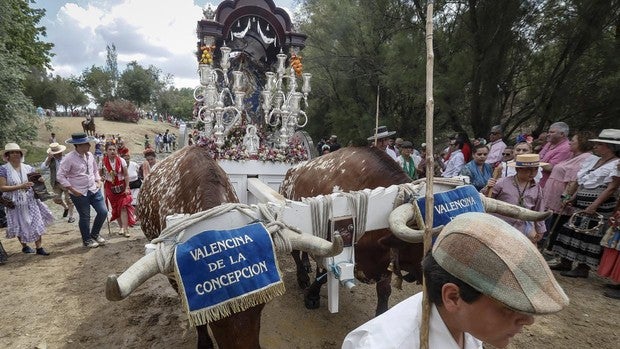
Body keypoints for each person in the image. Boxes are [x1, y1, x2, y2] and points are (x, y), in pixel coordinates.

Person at [342, 212, 569, 349]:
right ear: (453, 297)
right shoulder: (385, 345)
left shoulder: (465, 325)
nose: (528, 321)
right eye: (509, 308)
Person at [550, 129, 620, 278]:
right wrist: (571, 197)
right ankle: (565, 261)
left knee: (589, 234)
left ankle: (583, 267)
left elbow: (611, 188)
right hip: (581, 202)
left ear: (609, 147)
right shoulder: (593, 161)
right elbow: (582, 182)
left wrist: (594, 205)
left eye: (599, 144)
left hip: (599, 205)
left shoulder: (616, 164)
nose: (595, 147)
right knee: (571, 229)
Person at [541, 131, 594, 258]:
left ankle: (549, 250)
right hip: (552, 195)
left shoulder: (584, 158)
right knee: (549, 221)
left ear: (582, 143)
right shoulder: (573, 156)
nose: (570, 142)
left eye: (573, 141)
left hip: (561, 198)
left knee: (555, 225)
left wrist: (567, 197)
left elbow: (573, 181)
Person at [0, 143, 53, 255]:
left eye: (17, 152)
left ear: (21, 154)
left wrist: (40, 180)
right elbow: (2, 188)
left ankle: (39, 247)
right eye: (12, 152)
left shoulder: (28, 168)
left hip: (30, 200)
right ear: (7, 156)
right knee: (19, 223)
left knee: (36, 221)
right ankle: (24, 246)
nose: (15, 154)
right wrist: (20, 186)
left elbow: (35, 182)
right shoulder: (3, 170)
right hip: (14, 202)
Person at [56, 133, 108, 248]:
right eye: (86, 143)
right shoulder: (68, 158)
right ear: (78, 145)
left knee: (103, 211)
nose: (89, 145)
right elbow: (60, 176)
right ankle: (87, 240)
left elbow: (94, 170)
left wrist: (98, 181)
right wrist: (71, 189)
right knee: (85, 216)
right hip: (78, 192)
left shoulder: (89, 155)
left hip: (93, 189)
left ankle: (94, 233)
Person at [485, 154, 547, 242]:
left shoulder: (537, 189)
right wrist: (488, 188)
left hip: (521, 229)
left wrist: (540, 230)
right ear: (518, 169)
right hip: (499, 225)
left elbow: (539, 210)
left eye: (536, 169)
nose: (533, 173)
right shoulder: (501, 183)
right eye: (528, 170)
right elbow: (486, 199)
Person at [101, 143, 136, 238]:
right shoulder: (103, 162)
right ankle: (121, 227)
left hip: (121, 185)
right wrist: (102, 177)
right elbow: (100, 174)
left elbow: (126, 175)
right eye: (110, 150)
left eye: (114, 149)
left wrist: (127, 186)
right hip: (110, 187)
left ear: (116, 151)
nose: (112, 151)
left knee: (123, 207)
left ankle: (126, 228)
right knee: (116, 208)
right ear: (106, 151)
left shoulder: (121, 160)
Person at [40, 142, 75, 223]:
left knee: (69, 199)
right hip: (56, 183)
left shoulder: (66, 158)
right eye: (56, 153)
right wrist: (48, 159)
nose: (58, 154)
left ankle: (71, 216)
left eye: (59, 152)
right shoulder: (50, 159)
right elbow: (42, 168)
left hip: (66, 182)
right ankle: (65, 207)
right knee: (56, 199)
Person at [539, 122, 572, 188]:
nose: (548, 134)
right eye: (549, 132)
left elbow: (551, 167)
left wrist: (532, 161)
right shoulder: (550, 143)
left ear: (562, 134)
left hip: (550, 185)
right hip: (539, 181)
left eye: (552, 132)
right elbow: (540, 156)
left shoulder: (566, 148)